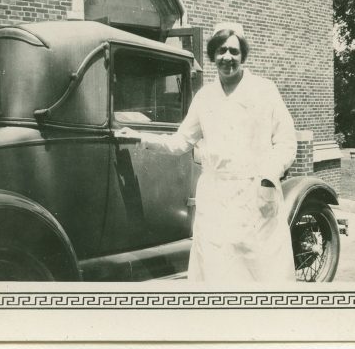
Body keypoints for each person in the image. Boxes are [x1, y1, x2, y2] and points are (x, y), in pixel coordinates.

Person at [116, 22, 297, 283]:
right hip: (215, 199)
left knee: (259, 272)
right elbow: (180, 142)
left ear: (243, 55)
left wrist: (270, 175)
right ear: (213, 54)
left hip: (255, 195)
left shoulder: (265, 91)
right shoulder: (205, 97)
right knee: (216, 270)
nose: (227, 58)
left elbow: (286, 141)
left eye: (234, 51)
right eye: (221, 50)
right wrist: (141, 137)